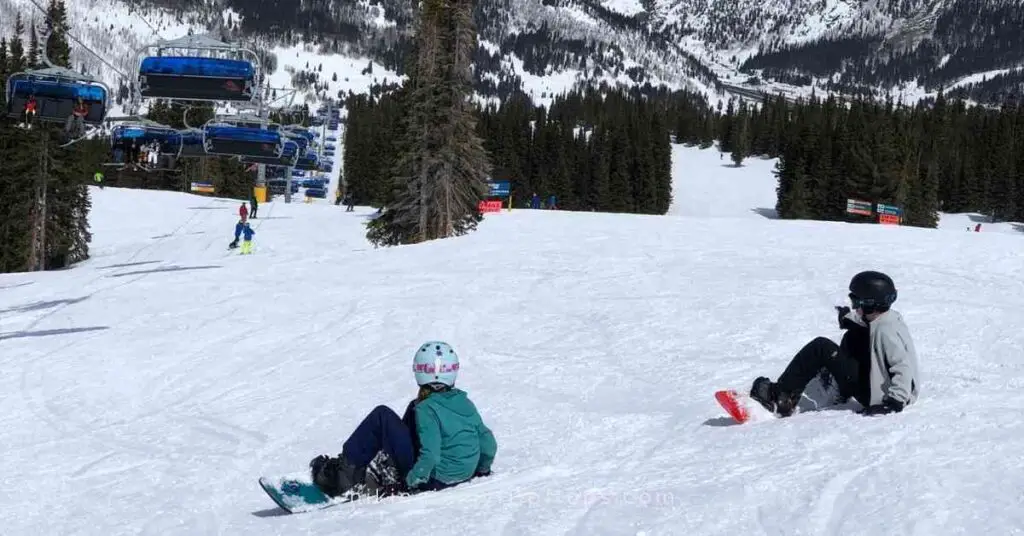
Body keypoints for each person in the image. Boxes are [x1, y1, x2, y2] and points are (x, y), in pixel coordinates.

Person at [309, 341, 497, 499]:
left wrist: (411, 482)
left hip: (433, 479)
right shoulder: (464, 402)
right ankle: (388, 465)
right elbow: (489, 443)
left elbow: (431, 455)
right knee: (412, 407)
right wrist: (481, 470)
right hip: (460, 474)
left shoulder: (426, 409)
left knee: (382, 416)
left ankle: (341, 478)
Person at [748, 271, 920, 417]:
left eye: (856, 302)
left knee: (820, 347)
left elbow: (902, 366)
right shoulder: (887, 318)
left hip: (880, 397)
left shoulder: (885, 331)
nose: (855, 307)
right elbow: (864, 325)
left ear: (870, 304)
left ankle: (780, 397)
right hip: (879, 386)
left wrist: (894, 402)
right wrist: (847, 318)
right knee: (853, 336)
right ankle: (842, 390)